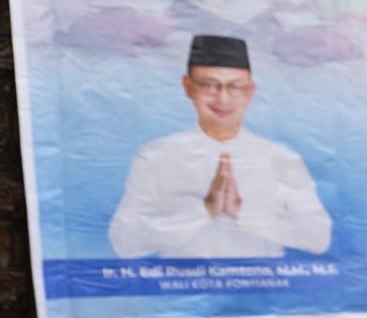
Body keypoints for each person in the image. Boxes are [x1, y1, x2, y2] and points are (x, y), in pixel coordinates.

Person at [108, 35, 332, 258]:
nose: (223, 99)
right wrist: (204, 211)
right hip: (182, 286)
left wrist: (242, 214)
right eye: (210, 85)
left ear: (250, 90)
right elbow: (124, 242)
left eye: (235, 86)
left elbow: (318, 238)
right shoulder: (157, 155)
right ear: (188, 87)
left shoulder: (280, 158)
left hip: (258, 288)